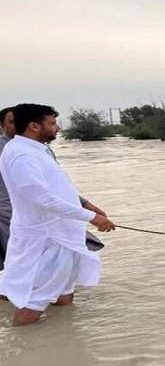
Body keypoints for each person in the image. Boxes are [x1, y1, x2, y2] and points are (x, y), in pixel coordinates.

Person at [0, 104, 115, 326]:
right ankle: (21, 351)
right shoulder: (21, 154)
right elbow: (41, 198)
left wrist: (88, 206)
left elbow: (60, 188)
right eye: (52, 123)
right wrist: (92, 218)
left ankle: (64, 344)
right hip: (46, 238)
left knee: (65, 293)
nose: (57, 128)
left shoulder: (39, 150)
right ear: (34, 126)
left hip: (64, 236)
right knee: (34, 302)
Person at [0, 107, 16, 269]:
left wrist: (85, 205)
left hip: (36, 217)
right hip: (5, 216)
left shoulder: (41, 149)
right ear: (2, 125)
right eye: (12, 122)